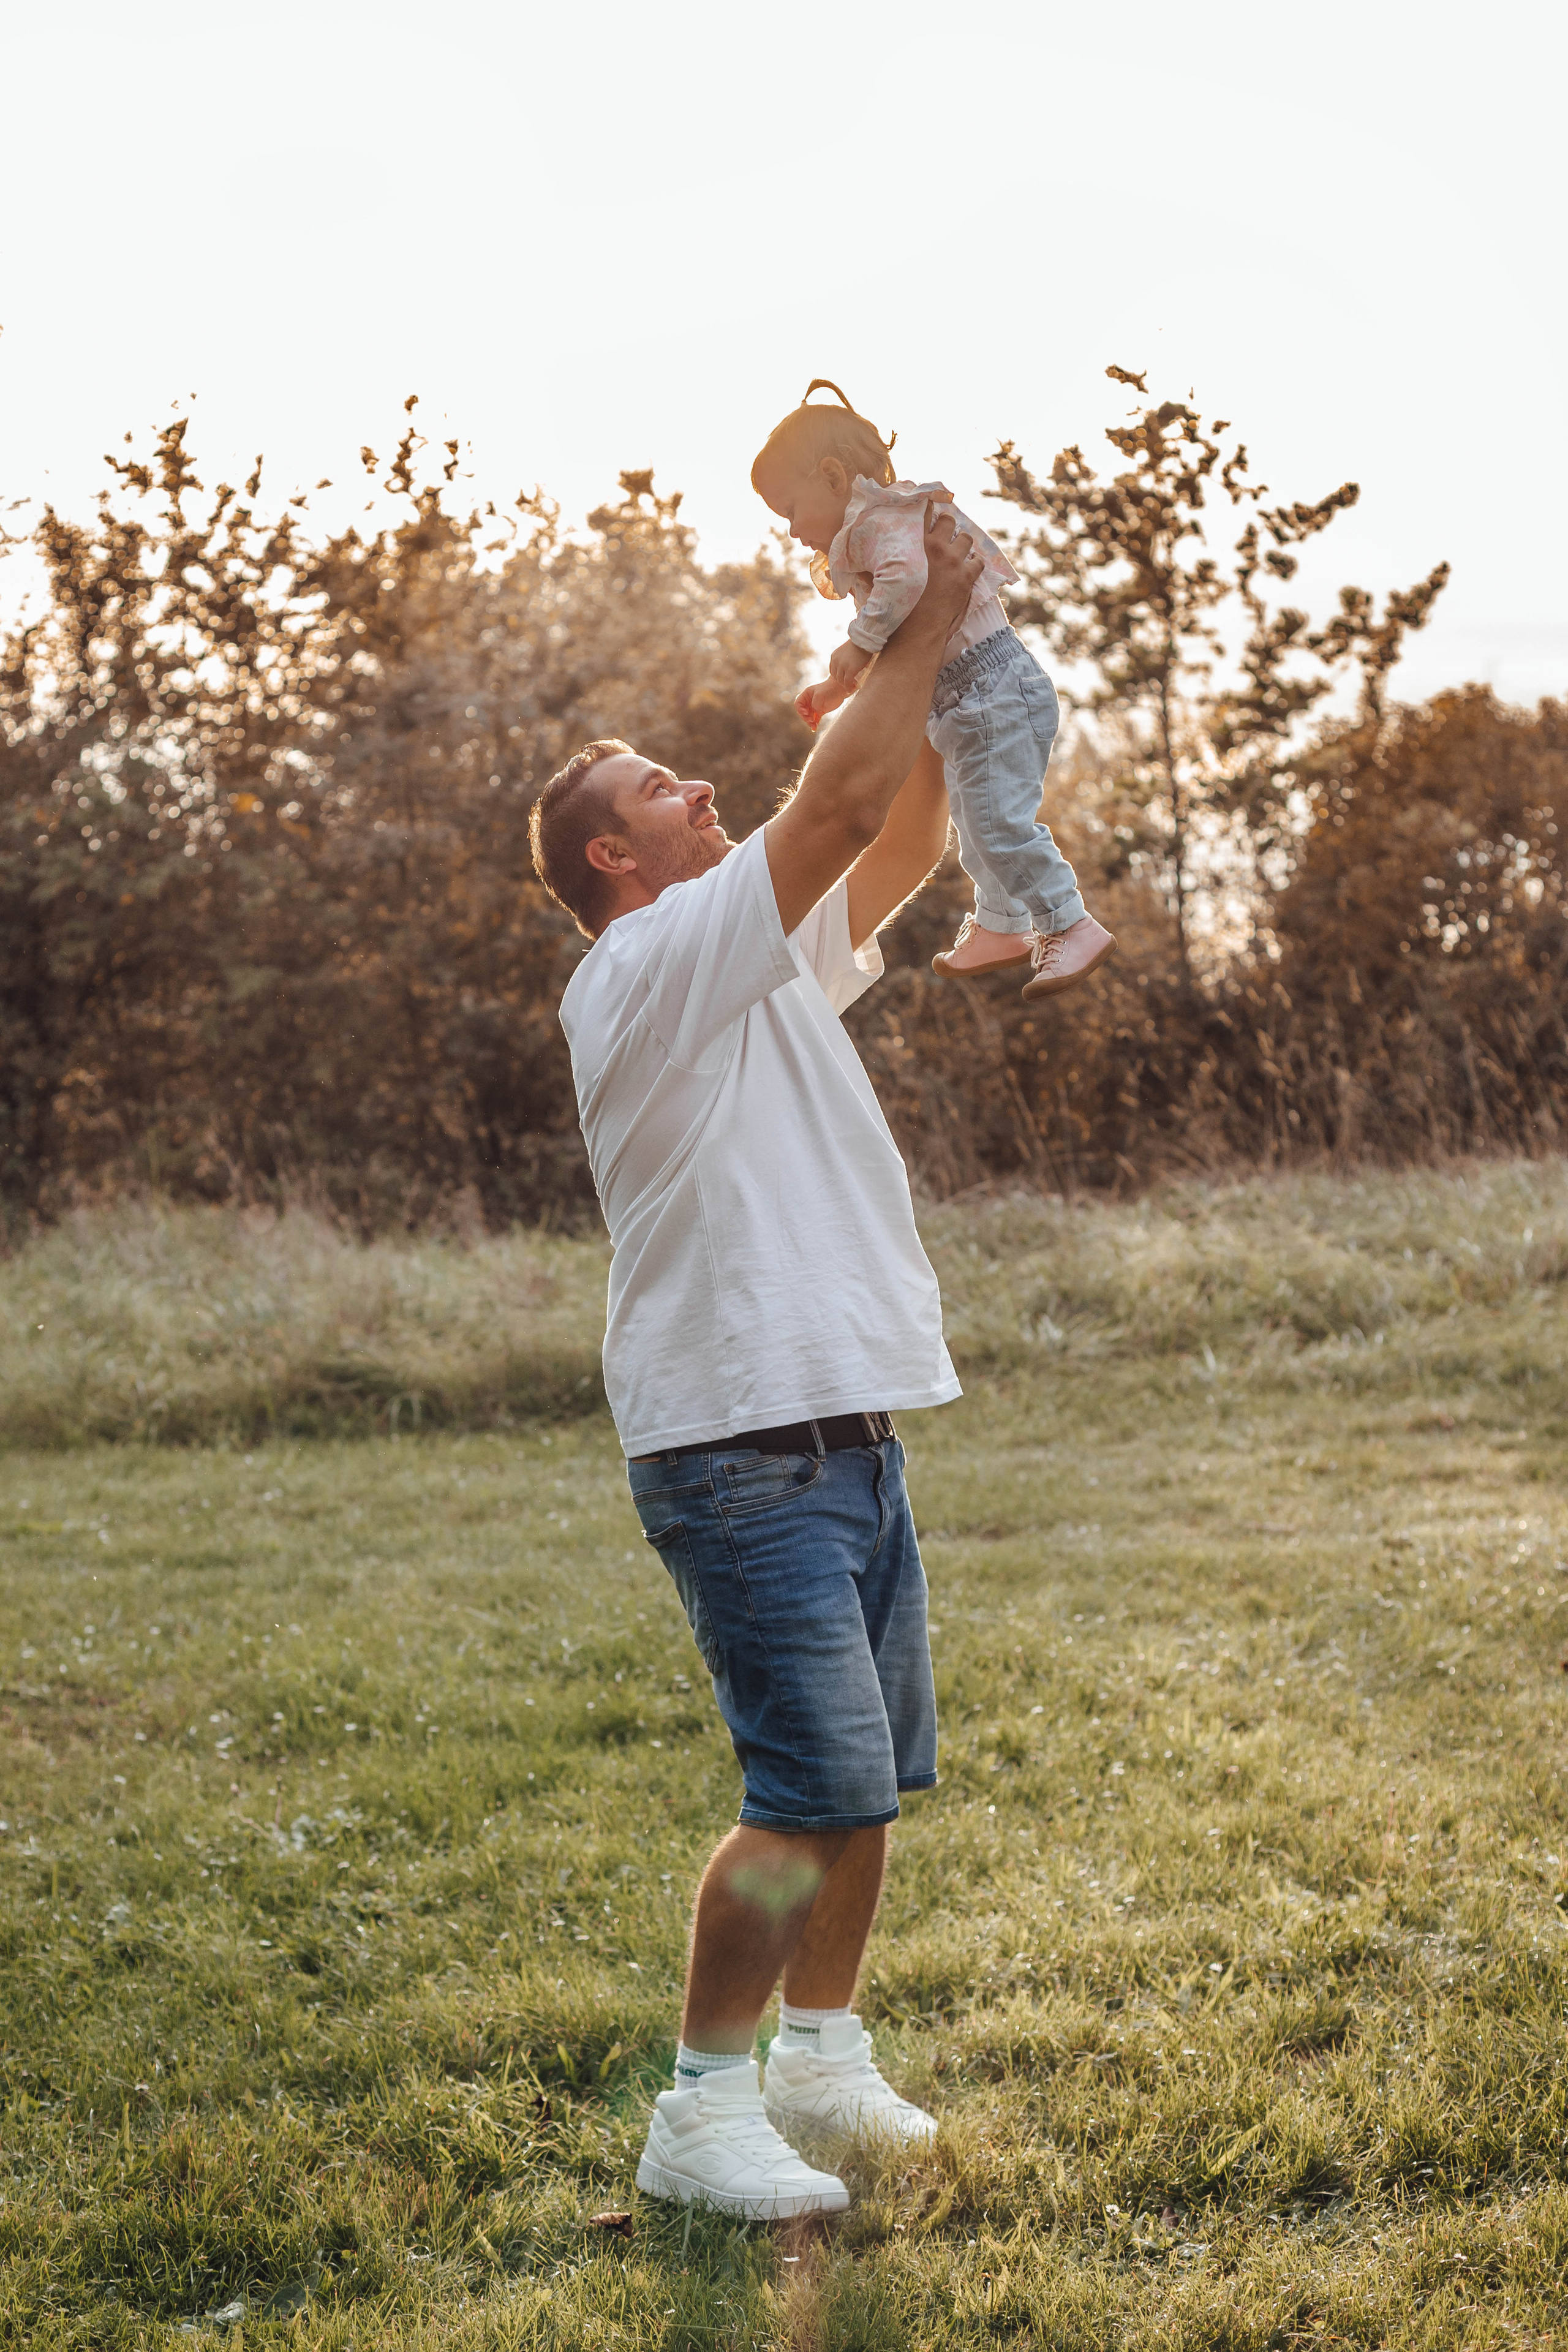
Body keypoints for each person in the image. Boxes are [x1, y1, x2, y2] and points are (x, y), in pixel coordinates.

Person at [528, 506, 982, 2221]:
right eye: (661, 792)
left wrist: (904, 679)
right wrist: (921, 615)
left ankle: (825, 2062)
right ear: (613, 869)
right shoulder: (648, 970)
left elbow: (900, 835)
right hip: (736, 1444)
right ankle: (701, 2113)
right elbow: (838, 808)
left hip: (847, 1434)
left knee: (866, 1784)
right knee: (803, 1795)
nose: (699, 793)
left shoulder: (749, 954)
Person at [752, 378, 1117, 999]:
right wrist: (842, 683)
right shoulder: (875, 526)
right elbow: (908, 635)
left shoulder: (880, 523)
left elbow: (907, 582)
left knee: (999, 823)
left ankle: (1069, 924)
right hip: (969, 696)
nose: (791, 531)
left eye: (790, 509)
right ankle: (1002, 926)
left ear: (834, 476)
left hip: (992, 688)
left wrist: (858, 643)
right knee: (980, 824)